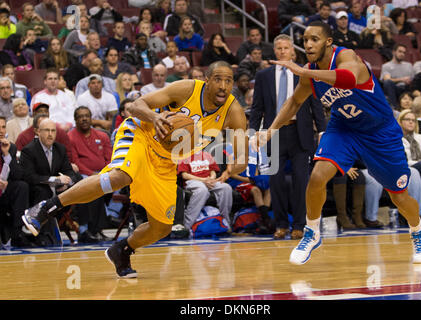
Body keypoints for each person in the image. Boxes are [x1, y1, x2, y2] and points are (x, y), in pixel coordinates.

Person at [21, 61, 248, 278]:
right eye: (218, 79)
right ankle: (46, 208)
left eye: (229, 81)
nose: (223, 86)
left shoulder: (233, 112)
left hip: (166, 161)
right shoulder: (186, 89)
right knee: (120, 177)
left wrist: (233, 166)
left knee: (162, 227)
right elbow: (136, 105)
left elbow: (241, 157)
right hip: (141, 134)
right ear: (207, 80)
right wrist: (154, 116)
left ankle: (122, 250)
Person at [253, 21, 421, 265]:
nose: (308, 44)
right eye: (305, 40)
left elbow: (346, 79)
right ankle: (312, 232)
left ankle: (417, 229)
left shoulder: (347, 56)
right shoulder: (310, 72)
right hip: (344, 127)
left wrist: (305, 72)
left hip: (379, 132)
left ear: (328, 41)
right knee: (316, 176)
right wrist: (271, 130)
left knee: (399, 196)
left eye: (314, 39)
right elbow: (294, 103)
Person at [250, 34, 326, 240]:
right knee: (276, 182)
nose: (283, 52)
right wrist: (253, 132)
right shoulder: (264, 76)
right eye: (279, 48)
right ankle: (281, 224)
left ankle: (299, 225)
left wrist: (322, 131)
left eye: (286, 48)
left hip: (300, 133)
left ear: (293, 51)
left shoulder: (304, 73)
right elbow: (257, 108)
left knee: (302, 181)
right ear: (274, 51)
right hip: (273, 134)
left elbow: (315, 105)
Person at [68, 106, 113, 242]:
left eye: (87, 116)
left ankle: (96, 229)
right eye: (80, 116)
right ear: (75, 120)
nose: (84, 119)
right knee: (94, 187)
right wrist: (93, 174)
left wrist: (104, 173)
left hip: (103, 173)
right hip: (82, 175)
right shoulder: (70, 137)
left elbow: (109, 159)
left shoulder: (102, 136)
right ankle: (90, 229)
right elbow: (76, 162)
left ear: (91, 118)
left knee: (107, 182)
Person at [178, 150, 233, 232]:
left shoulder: (206, 154)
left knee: (226, 188)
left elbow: (212, 171)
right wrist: (203, 180)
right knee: (202, 190)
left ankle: (225, 223)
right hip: (193, 181)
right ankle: (187, 226)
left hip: (208, 180)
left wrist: (211, 178)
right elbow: (184, 175)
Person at [0, 116, 30, 247]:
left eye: (3, 127)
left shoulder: (10, 147)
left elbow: (18, 175)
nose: (1, 130)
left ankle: (17, 232)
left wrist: (7, 155)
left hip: (5, 191)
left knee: (21, 186)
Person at [380, 44, 414, 108]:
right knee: (388, 83)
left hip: (406, 88)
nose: (402, 54)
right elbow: (387, 79)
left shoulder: (409, 65)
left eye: (404, 52)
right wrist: (402, 79)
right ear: (394, 52)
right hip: (395, 89)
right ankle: (394, 107)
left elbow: (412, 79)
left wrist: (409, 81)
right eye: (400, 51)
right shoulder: (386, 66)